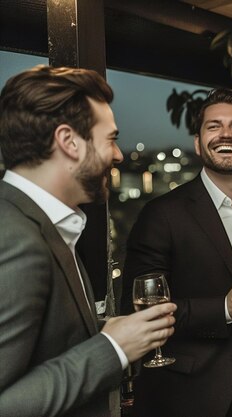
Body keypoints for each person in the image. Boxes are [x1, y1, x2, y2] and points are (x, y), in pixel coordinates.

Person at [0, 65, 176, 417]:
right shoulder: (15, 239)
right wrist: (113, 348)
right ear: (69, 142)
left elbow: (42, 346)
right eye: (110, 139)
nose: (118, 155)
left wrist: (102, 331)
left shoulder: (46, 223)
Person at [121, 88, 232, 417]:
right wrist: (224, 307)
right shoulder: (161, 214)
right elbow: (136, 310)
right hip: (190, 392)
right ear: (198, 143)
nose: (226, 133)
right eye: (213, 126)